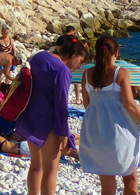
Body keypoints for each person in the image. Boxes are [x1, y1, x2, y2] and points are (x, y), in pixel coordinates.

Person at [81, 37, 140, 195]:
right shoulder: (120, 73)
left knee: (107, 186)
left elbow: (87, 106)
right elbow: (130, 106)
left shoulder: (86, 74)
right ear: (117, 53)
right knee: (131, 180)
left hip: (97, 135)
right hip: (120, 134)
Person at [16, 36, 89, 195]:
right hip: (49, 124)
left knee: (36, 166)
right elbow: (61, 105)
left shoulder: (39, 57)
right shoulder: (62, 70)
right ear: (73, 53)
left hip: (30, 117)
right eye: (80, 60)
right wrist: (63, 133)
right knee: (50, 170)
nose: (80, 65)